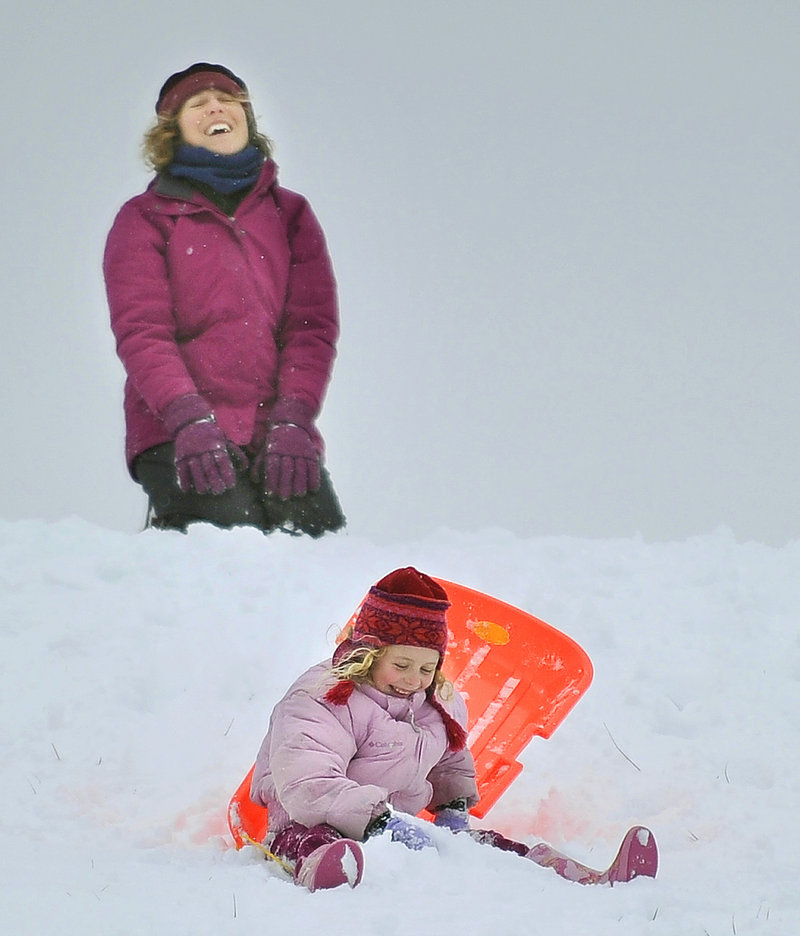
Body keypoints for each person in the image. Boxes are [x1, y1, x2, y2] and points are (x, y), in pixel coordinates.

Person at [249, 567, 658, 891]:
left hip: (396, 827)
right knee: (307, 840)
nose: (414, 679)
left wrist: (453, 811)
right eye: (402, 666)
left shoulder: (437, 702)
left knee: (482, 848)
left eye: (427, 668)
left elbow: (450, 758)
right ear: (368, 652)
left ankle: (578, 878)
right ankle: (327, 873)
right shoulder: (324, 696)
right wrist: (378, 822)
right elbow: (308, 781)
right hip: (308, 821)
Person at [104, 63, 344, 536]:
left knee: (322, 552)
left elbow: (310, 329)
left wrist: (293, 420)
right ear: (173, 132)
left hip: (275, 433)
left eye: (228, 99)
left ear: (246, 119)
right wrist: (189, 419)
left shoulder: (290, 214)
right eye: (198, 103)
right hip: (178, 432)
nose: (216, 106)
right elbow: (143, 332)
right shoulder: (145, 219)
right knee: (235, 545)